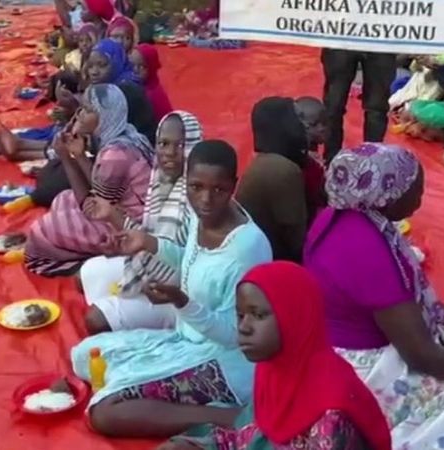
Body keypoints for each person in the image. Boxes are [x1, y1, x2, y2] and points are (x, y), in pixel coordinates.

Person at [71, 140, 272, 438]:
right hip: (186, 340)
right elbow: (190, 259)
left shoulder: (246, 249)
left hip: (227, 363)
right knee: (85, 355)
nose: (205, 199)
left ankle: (228, 416)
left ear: (233, 186)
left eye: (218, 190)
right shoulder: (200, 216)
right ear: (187, 182)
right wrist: (147, 243)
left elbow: (236, 335)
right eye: (196, 187)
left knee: (105, 411)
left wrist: (182, 302)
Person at [304, 143, 444, 449]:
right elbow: (422, 355)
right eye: (414, 189)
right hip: (364, 368)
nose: (420, 197)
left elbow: (408, 299)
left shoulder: (341, 217)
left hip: (335, 347)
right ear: (388, 193)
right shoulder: (366, 249)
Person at [158, 262, 391, 450]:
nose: (244, 327)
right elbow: (249, 437)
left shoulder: (331, 413)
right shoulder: (274, 369)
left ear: (295, 320)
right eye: (240, 315)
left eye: (258, 315)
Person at [81, 111, 201, 334]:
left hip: (179, 296)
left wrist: (144, 255)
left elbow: (191, 267)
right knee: (89, 272)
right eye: (164, 143)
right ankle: (126, 318)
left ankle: (152, 331)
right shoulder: (162, 182)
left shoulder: (199, 194)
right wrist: (112, 219)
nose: (170, 153)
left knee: (96, 319)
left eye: (180, 145)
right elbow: (148, 237)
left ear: (193, 146)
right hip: (152, 271)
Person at [25, 84, 153, 276]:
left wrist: (67, 158)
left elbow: (95, 208)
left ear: (104, 116)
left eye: (88, 110)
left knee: (40, 232)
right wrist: (79, 155)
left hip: (130, 223)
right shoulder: (127, 133)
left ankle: (81, 265)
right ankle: (77, 251)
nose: (80, 115)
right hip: (121, 208)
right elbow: (99, 187)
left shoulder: (115, 154)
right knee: (64, 198)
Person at [235, 97, 310, 262]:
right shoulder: (284, 170)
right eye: (297, 117)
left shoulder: (267, 161)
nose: (303, 124)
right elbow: (296, 238)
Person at [321, 49, 397, 163]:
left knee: (377, 109)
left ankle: (372, 160)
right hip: (342, 40)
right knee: (333, 105)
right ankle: (330, 160)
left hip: (381, 42)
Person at [294, 96, 328, 218]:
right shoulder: (308, 164)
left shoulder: (309, 156)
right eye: (315, 124)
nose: (322, 128)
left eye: (325, 122)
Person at [131, 43, 172, 120]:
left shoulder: (152, 95)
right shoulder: (134, 85)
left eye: (142, 66)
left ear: (152, 68)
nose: (135, 69)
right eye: (132, 65)